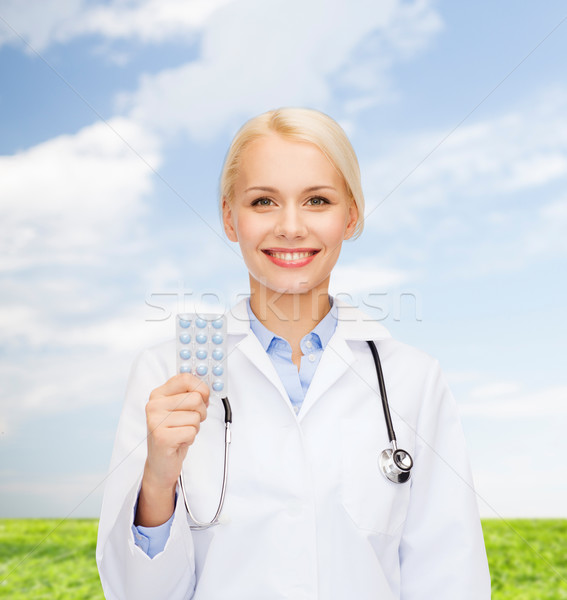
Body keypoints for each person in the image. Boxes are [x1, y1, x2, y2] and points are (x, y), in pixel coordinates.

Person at [96, 108, 491, 599]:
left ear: (351, 216)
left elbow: (451, 576)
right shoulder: (165, 373)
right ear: (229, 219)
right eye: (263, 201)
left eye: (317, 200)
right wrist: (158, 478)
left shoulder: (412, 379)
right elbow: (139, 594)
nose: (290, 226)